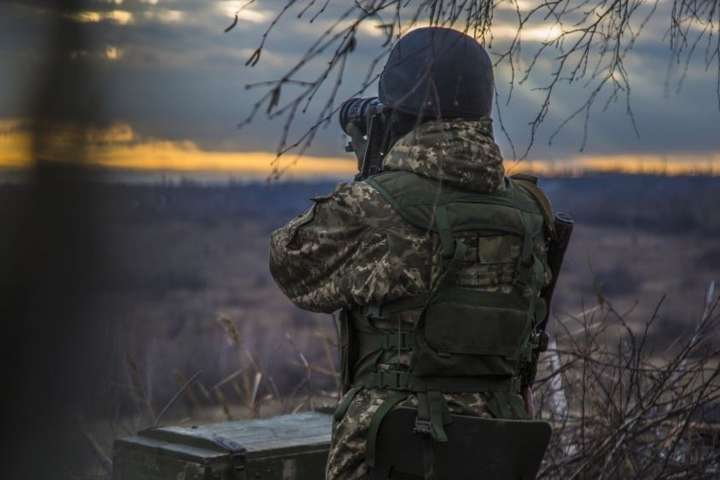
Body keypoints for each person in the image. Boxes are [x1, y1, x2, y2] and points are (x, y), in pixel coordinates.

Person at [269, 27, 555, 480]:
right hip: (499, 440)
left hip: (397, 443)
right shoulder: (531, 210)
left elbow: (291, 264)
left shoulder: (375, 206)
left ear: (400, 109)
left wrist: (371, 174)